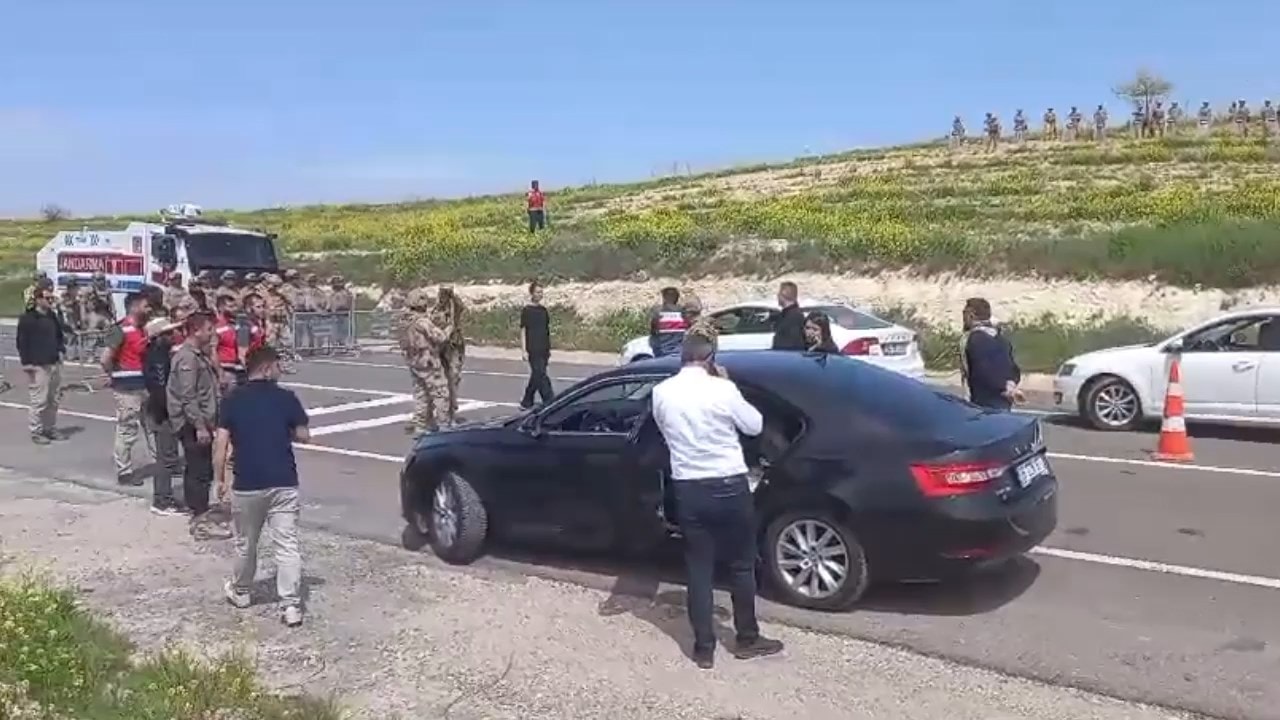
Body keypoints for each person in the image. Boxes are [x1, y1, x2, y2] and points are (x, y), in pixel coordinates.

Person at [650, 333, 783, 669]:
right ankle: (747, 637)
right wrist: (727, 384)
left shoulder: (661, 392)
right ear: (711, 359)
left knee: (699, 568)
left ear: (682, 357)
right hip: (729, 485)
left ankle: (704, 647)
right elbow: (754, 426)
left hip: (689, 488)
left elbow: (664, 430)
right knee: (741, 564)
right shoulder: (723, 389)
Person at [216, 345, 310, 628]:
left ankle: (242, 591)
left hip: (248, 481)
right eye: (278, 365)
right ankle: (291, 604)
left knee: (246, 543)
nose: (281, 371)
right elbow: (303, 434)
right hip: (283, 479)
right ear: (267, 368)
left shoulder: (232, 399)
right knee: (286, 543)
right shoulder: (287, 398)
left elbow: (221, 445)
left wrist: (220, 479)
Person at [167, 312, 229, 539]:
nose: (213, 334)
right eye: (209, 329)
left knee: (200, 469)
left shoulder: (198, 355)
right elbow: (188, 395)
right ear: (196, 330)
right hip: (192, 423)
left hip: (201, 420)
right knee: (199, 471)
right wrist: (199, 426)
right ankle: (200, 520)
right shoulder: (187, 358)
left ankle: (199, 512)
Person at [100, 292, 152, 486]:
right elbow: (105, 358)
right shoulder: (120, 330)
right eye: (146, 306)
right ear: (134, 307)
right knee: (127, 429)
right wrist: (113, 374)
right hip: (127, 388)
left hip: (144, 386)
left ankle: (163, 464)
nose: (149, 309)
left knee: (151, 427)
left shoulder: (144, 329)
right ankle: (124, 471)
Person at [143, 315, 186, 516]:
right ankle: (162, 500)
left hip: (162, 411)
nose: (173, 335)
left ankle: (164, 497)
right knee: (166, 458)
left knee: (168, 456)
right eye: (168, 333)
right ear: (158, 336)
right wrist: (171, 413)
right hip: (162, 413)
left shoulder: (161, 353)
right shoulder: (158, 356)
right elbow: (160, 389)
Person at [16, 288, 66, 445]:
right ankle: (36, 431)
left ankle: (49, 428)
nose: (50, 301)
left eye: (52, 298)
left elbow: (60, 335)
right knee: (39, 400)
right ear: (38, 299)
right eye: (47, 298)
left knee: (53, 399)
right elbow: (22, 342)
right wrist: (26, 363)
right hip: (37, 364)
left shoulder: (52, 316)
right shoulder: (28, 319)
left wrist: (61, 351)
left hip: (54, 362)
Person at [400, 288, 454, 436]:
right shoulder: (422, 322)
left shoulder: (404, 320)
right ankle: (444, 425)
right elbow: (440, 338)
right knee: (440, 393)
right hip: (428, 362)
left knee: (421, 395)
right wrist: (449, 329)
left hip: (413, 361)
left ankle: (421, 426)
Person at [961, 298, 1024, 411]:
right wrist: (1009, 387)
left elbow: (982, 369)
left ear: (971, 316)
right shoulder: (1001, 339)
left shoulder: (974, 338)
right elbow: (1013, 369)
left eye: (964, 314)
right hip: (1003, 403)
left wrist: (1003, 387)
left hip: (980, 405)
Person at [519, 280, 554, 409]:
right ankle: (550, 400)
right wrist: (524, 350)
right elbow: (523, 330)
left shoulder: (544, 311)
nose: (540, 294)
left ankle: (526, 401)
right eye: (537, 292)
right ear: (532, 293)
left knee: (537, 375)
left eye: (541, 292)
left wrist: (549, 349)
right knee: (541, 375)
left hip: (544, 348)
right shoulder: (527, 310)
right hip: (532, 348)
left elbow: (546, 330)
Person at [436, 287, 467, 424]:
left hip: (454, 346)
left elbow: (460, 307)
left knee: (454, 377)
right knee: (442, 380)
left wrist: (453, 296)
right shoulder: (437, 310)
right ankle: (443, 412)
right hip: (442, 347)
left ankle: (451, 411)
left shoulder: (455, 308)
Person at [648, 287, 686, 358]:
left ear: (664, 298)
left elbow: (652, 330)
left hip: (662, 352)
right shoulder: (683, 311)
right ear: (677, 298)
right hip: (680, 353)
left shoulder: (657, 311)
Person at [770, 281, 805, 350]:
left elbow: (791, 342)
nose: (777, 296)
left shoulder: (794, 317)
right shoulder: (786, 314)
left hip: (787, 355)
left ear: (784, 294)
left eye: (779, 294)